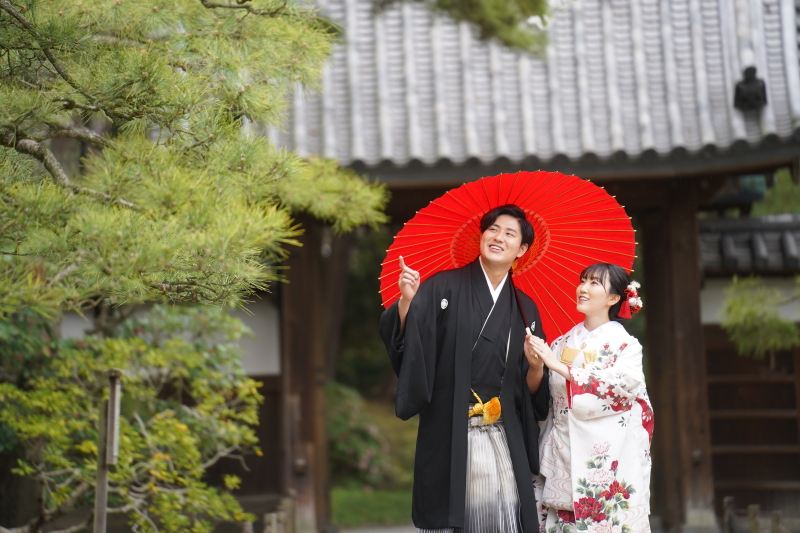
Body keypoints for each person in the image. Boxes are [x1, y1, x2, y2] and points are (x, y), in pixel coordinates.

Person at [380, 204, 550, 533]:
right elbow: (412, 347)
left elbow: (531, 393)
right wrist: (407, 302)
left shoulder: (525, 308)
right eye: (492, 229)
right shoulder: (441, 287)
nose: (498, 237)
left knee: (503, 518)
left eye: (509, 233)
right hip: (449, 427)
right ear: (481, 236)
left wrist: (536, 368)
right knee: (451, 517)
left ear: (522, 249)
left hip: (503, 433)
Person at [529, 263, 654, 533]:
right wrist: (537, 366)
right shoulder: (560, 344)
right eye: (583, 281)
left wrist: (559, 367)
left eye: (594, 283)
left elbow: (622, 388)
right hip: (562, 452)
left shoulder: (626, 346)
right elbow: (545, 401)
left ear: (613, 298)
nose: (583, 288)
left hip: (607, 459)